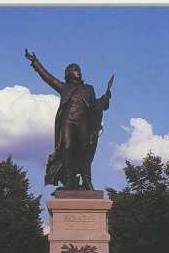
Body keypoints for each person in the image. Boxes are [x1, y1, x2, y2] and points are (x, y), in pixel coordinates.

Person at [25, 49, 113, 190]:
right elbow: (48, 78)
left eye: (79, 69)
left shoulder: (89, 88)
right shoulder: (64, 87)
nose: (78, 71)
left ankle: (87, 181)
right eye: (75, 69)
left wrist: (106, 98)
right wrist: (35, 62)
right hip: (67, 121)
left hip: (83, 121)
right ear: (69, 73)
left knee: (85, 150)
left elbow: (97, 106)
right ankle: (70, 180)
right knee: (66, 148)